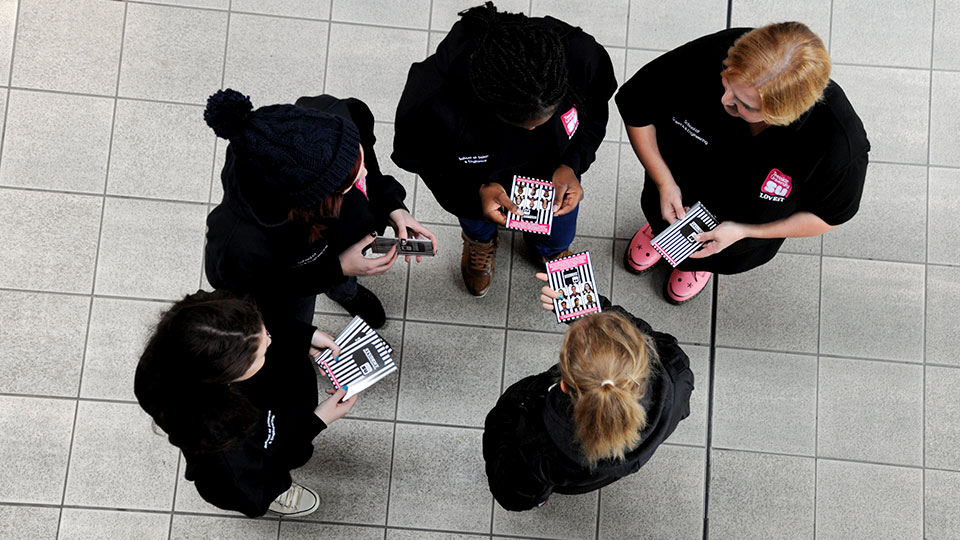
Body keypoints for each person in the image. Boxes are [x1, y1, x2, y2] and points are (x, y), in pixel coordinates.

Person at [617, 22, 868, 304]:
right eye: (727, 84)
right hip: (672, 187)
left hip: (739, 234)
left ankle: (697, 266)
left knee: (711, 258)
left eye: (744, 105)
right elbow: (636, 105)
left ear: (782, 114)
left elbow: (829, 216)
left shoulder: (837, 143)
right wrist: (664, 180)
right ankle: (657, 229)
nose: (725, 100)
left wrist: (746, 232)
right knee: (658, 215)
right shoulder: (719, 54)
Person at [393, 2, 617, 296]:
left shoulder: (581, 56)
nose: (536, 130)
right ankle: (481, 242)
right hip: (473, 185)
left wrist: (572, 163)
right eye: (526, 124)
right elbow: (428, 166)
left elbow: (595, 116)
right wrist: (476, 194)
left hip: (555, 179)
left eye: (549, 116)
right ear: (489, 102)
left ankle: (549, 250)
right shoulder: (429, 106)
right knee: (477, 224)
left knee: (559, 231)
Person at [204, 89, 437, 328]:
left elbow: (369, 171)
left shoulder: (333, 120)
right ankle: (339, 285)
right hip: (299, 276)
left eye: (357, 156)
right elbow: (266, 291)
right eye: (349, 181)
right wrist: (337, 268)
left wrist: (392, 206)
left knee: (347, 270)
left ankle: (345, 291)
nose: (364, 173)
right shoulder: (237, 244)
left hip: (344, 235)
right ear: (313, 201)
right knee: (300, 316)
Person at [134, 290, 357, 518]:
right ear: (228, 375)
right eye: (259, 353)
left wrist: (303, 336)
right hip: (269, 444)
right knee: (266, 478)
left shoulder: (213, 330)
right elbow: (262, 469)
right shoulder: (223, 447)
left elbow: (265, 327)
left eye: (262, 331)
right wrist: (316, 421)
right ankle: (278, 493)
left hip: (280, 396)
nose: (270, 340)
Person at [482, 276, 694, 511]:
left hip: (553, 473)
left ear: (563, 385)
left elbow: (512, 494)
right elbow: (639, 335)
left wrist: (511, 407)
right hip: (588, 476)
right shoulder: (675, 370)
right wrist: (588, 307)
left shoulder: (538, 447)